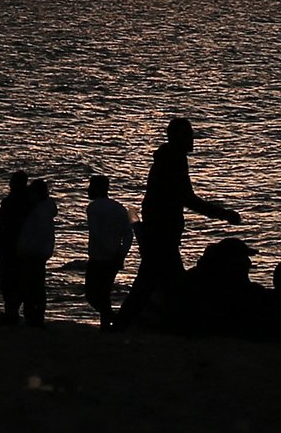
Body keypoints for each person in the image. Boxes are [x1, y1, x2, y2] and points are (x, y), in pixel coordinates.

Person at [111, 117, 241, 330]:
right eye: (187, 134)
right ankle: (174, 326)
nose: (192, 138)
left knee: (150, 284)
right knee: (166, 285)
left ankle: (123, 325)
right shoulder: (173, 161)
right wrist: (223, 214)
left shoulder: (170, 159)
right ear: (175, 137)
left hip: (161, 234)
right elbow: (187, 198)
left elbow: (164, 200)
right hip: (162, 236)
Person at [169, 236, 272, 340]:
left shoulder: (198, 279)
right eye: (242, 258)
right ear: (230, 262)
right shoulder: (217, 290)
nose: (248, 262)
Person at [84, 175, 134, 328]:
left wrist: (110, 252)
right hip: (115, 257)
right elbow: (128, 234)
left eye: (91, 187)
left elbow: (96, 233)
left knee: (92, 294)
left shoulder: (93, 208)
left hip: (99, 257)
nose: (88, 190)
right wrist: (122, 253)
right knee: (104, 293)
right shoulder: (119, 207)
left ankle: (114, 320)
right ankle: (107, 324)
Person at [15, 178, 57, 327]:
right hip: (38, 252)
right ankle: (35, 316)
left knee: (32, 286)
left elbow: (38, 234)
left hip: (33, 253)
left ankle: (34, 317)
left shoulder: (40, 212)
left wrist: (25, 249)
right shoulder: (43, 210)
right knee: (36, 285)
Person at [0, 171, 30, 325]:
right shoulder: (27, 202)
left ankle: (12, 312)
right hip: (12, 245)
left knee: (10, 279)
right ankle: (12, 311)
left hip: (11, 246)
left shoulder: (12, 202)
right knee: (13, 280)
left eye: (14, 182)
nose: (11, 185)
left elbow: (4, 226)